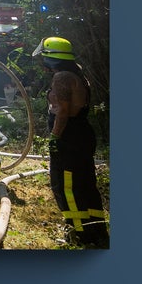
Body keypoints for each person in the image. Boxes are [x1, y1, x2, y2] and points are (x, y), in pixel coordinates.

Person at [36, 36, 107, 248]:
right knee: (85, 184)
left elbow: (63, 112)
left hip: (69, 137)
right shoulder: (77, 73)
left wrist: (55, 137)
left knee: (66, 185)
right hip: (82, 134)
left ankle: (79, 233)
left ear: (51, 57)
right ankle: (96, 229)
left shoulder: (62, 78)